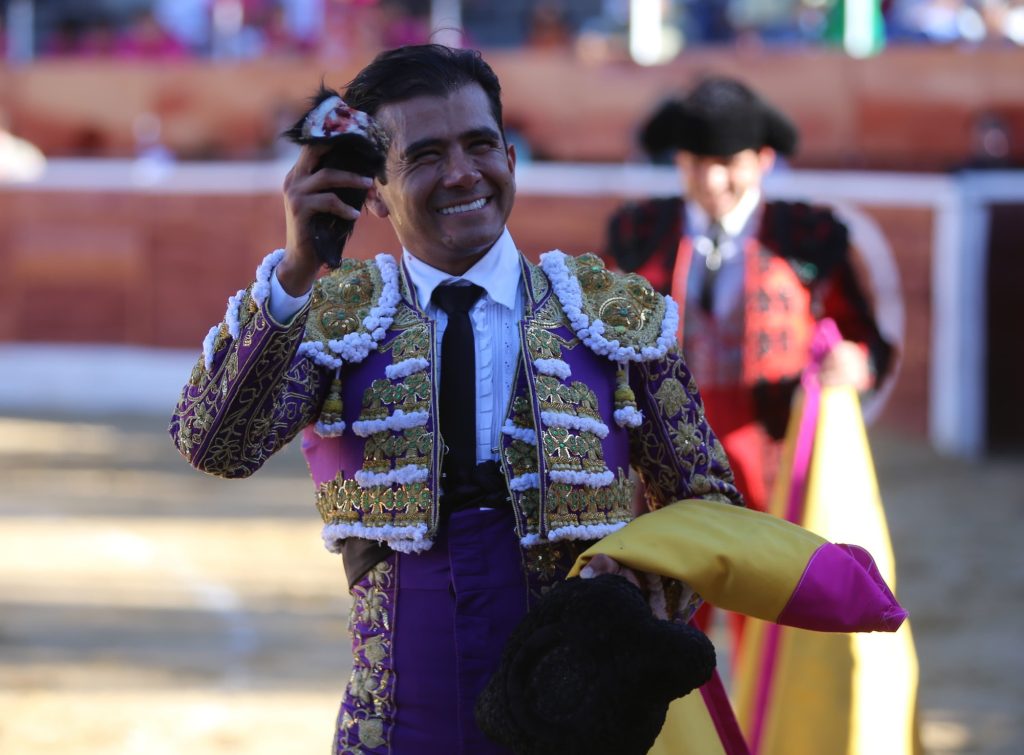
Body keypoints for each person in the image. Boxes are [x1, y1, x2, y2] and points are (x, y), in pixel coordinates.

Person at [170, 44, 743, 754]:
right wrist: (296, 270)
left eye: (479, 146)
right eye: (427, 156)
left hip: (578, 718)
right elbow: (213, 443)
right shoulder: (331, 320)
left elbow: (709, 498)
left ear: (509, 155)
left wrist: (632, 578)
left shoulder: (610, 317)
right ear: (374, 189)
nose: (463, 174)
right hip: (399, 724)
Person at [606, 76, 895, 521]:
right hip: (666, 464)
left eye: (726, 162)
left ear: (763, 159)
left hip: (775, 462)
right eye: (696, 161)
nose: (711, 179)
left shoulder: (806, 238)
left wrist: (857, 361)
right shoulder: (639, 232)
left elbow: (867, 339)